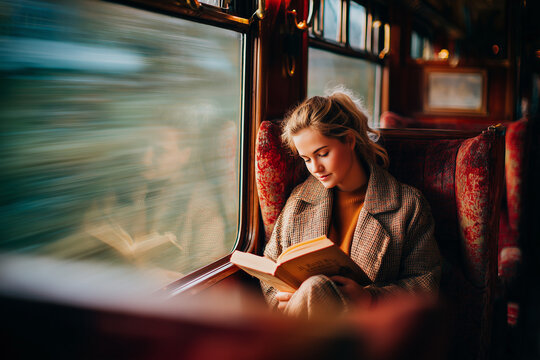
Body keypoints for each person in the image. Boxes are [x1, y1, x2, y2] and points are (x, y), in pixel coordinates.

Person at [261, 90, 441, 319]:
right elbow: (271, 269)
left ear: (349, 140)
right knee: (313, 289)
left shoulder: (407, 206)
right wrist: (284, 299)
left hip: (370, 330)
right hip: (305, 330)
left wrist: (370, 298)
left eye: (322, 154)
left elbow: (425, 285)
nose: (315, 167)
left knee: (315, 288)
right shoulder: (299, 201)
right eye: (306, 159)